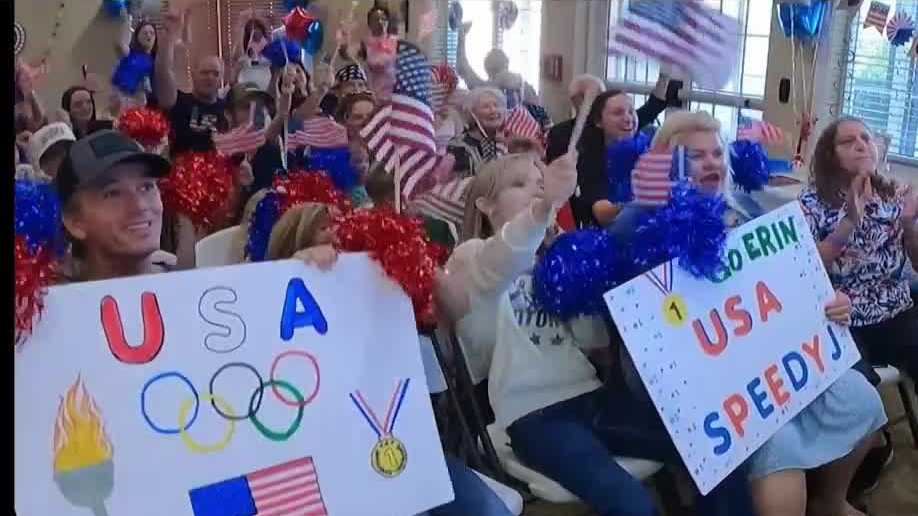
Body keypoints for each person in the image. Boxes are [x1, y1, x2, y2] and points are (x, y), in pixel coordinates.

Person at [436, 150, 756, 516]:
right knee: (632, 503)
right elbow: (502, 259)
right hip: (534, 415)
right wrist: (542, 210)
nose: (536, 192)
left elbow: (591, 342)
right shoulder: (471, 256)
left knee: (720, 446)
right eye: (520, 184)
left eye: (542, 185)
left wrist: (587, 280)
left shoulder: (555, 255)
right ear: (485, 204)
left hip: (592, 397)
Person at [610, 112, 887, 516]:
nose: (712, 163)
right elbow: (628, 318)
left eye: (717, 153)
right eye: (695, 156)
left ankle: (829, 501)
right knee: (780, 441)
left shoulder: (743, 207)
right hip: (688, 375)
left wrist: (827, 302)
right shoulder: (636, 221)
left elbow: (792, 276)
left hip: (767, 353)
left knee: (861, 399)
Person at [263, 202, 514, 516]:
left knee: (489, 511)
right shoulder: (271, 308)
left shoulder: (379, 284)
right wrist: (296, 268)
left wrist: (416, 257)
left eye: (341, 224)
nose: (336, 233)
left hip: (404, 439)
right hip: (332, 458)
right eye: (324, 227)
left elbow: (458, 307)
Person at [801, 117, 918, 384]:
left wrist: (910, 225)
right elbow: (805, 266)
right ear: (830, 155)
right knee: (853, 390)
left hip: (893, 310)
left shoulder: (897, 195)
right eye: (848, 141)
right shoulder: (811, 200)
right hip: (838, 317)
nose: (861, 145)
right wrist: (849, 222)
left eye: (866, 138)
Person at [54, 130, 174, 282]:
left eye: (146, 187)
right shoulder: (54, 302)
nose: (140, 206)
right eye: (113, 194)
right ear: (75, 222)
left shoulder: (190, 289)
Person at [570, 83, 673, 228]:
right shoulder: (590, 159)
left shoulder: (650, 148)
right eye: (618, 113)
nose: (628, 118)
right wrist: (641, 205)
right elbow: (602, 214)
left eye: (631, 111)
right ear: (599, 122)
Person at [155, 8, 228, 155]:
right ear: (193, 75)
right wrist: (169, 36)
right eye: (204, 72)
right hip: (184, 174)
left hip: (218, 174)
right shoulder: (179, 102)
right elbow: (164, 71)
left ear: (222, 78)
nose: (210, 77)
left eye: (215, 73)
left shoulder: (228, 109)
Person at [447, 88, 507, 178]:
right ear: (472, 113)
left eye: (496, 105)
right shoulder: (458, 146)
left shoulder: (505, 143)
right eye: (486, 106)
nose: (493, 110)